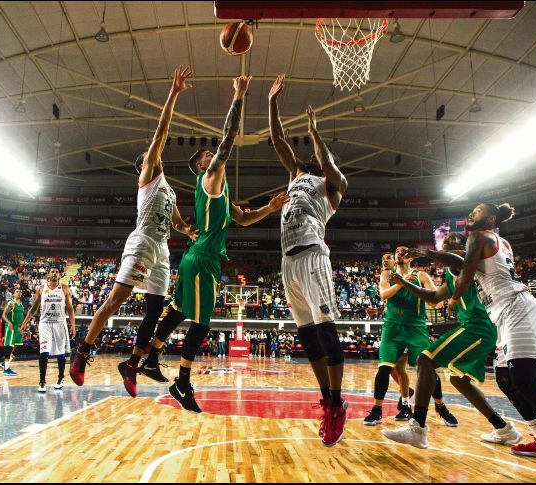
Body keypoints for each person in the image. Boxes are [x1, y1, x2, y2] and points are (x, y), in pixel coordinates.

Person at [139, 74, 288, 413]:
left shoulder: (221, 191)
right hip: (203, 258)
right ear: (200, 166)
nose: (211, 154)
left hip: (202, 257)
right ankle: (182, 382)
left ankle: (151, 358)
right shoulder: (209, 178)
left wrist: (271, 207)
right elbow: (228, 137)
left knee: (178, 310)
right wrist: (238, 95)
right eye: (205, 155)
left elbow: (244, 218)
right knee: (202, 323)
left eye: (211, 154)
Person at [422, 203, 536, 482]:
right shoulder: (495, 240)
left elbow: (464, 277)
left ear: (490, 219)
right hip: (505, 313)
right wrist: (433, 256)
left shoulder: (479, 237)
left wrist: (453, 293)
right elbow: (463, 263)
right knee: (506, 379)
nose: (471, 214)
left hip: (516, 308)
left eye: (477, 211)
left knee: (525, 381)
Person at [70, 66, 199, 397]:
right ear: (145, 164)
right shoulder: (148, 178)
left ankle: (132, 364)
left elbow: (177, 222)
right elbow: (161, 133)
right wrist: (173, 93)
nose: (155, 158)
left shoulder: (167, 189)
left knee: (156, 309)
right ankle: (82, 350)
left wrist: (188, 231)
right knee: (116, 299)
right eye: (150, 158)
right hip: (142, 242)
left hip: (162, 249)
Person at [268, 74, 350, 446]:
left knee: (325, 329)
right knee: (306, 336)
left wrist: (315, 132)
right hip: (288, 261)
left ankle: (337, 402)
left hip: (314, 256)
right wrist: (272, 102)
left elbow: (326, 161)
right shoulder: (295, 177)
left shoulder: (331, 185)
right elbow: (279, 140)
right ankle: (326, 400)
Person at [382, 232, 521, 448]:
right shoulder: (451, 271)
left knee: (425, 360)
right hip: (474, 327)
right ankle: (503, 428)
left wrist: (425, 253)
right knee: (458, 379)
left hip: (479, 325)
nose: (446, 246)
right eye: (444, 243)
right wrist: (403, 282)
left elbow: (457, 261)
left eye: (450, 243)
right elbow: (434, 297)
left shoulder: (465, 262)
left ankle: (417, 428)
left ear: (464, 246)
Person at [364, 248, 457, 427]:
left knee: (428, 369)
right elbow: (384, 294)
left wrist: (440, 297)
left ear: (410, 257)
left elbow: (434, 300)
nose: (399, 253)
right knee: (384, 368)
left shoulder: (421, 276)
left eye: (403, 251)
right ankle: (377, 410)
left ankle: (440, 406)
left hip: (416, 328)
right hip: (392, 328)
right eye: (397, 251)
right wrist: (401, 283)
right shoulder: (387, 274)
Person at [22, 265, 76, 393]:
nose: (54, 274)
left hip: (60, 323)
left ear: (59, 275)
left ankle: (60, 378)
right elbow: (34, 308)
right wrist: (25, 322)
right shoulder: (41, 289)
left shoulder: (64, 288)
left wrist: (73, 325)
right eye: (52, 272)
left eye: (57, 272)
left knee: (60, 354)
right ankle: (42, 381)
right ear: (48, 275)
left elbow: (70, 308)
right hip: (45, 323)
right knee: (44, 351)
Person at [1, 288, 25, 376]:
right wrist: (9, 322)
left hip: (17, 326)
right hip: (10, 325)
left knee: (19, 347)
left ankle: (5, 363)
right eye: (17, 292)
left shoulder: (21, 305)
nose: (19, 293)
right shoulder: (11, 303)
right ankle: (6, 369)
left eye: (20, 291)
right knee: (9, 347)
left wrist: (21, 327)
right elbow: (3, 315)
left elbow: (21, 318)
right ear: (14, 294)